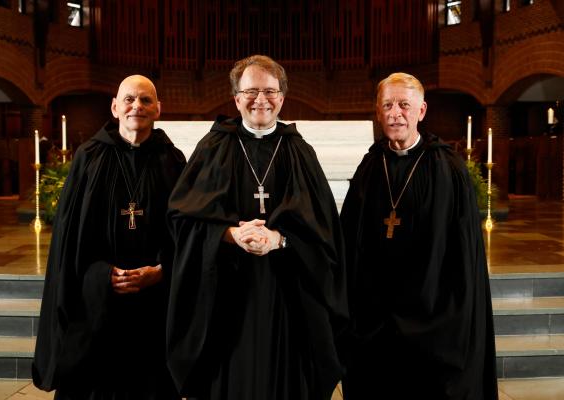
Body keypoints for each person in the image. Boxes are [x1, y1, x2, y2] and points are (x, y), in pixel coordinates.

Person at [166, 55, 348, 400]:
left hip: (287, 294)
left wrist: (280, 238)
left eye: (269, 91)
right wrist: (230, 234)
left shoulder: (299, 151)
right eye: (250, 91)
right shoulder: (213, 147)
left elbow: (325, 229)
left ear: (282, 97)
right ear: (236, 98)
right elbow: (181, 218)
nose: (260, 99)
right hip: (225, 293)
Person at [339, 72, 498, 399]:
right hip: (377, 317)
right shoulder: (370, 166)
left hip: (433, 314)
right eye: (387, 105)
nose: (395, 113)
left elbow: (462, 251)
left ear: (421, 111)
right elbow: (350, 242)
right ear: (378, 112)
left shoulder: (447, 168)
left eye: (403, 105)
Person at [32, 75, 186, 400]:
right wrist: (103, 275)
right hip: (98, 307)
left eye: (145, 100)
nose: (137, 107)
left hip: (153, 308)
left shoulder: (172, 162)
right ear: (115, 107)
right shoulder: (89, 158)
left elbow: (186, 236)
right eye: (129, 99)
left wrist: (161, 271)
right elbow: (69, 240)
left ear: (158, 109)